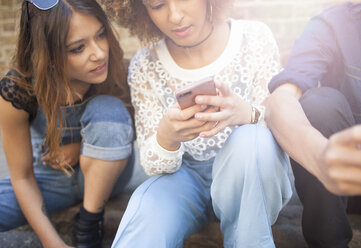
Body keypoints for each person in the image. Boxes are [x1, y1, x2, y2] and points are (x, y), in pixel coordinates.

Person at [102, 0, 293, 247]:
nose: (174, 16)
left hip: (248, 179)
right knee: (146, 208)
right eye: (157, 5)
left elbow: (283, 125)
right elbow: (151, 164)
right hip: (185, 178)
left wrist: (248, 114)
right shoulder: (145, 65)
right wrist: (166, 137)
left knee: (251, 140)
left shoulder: (254, 38)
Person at [0, 0, 147, 247]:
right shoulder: (18, 89)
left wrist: (79, 145)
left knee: (109, 109)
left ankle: (89, 225)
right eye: (78, 48)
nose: (99, 53)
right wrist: (52, 243)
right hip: (49, 179)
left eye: (101, 35)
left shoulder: (119, 70)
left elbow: (122, 131)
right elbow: (22, 177)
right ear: (48, 54)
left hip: (109, 175)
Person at [265, 1, 361, 247]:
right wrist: (323, 157)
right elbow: (279, 101)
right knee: (318, 104)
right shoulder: (335, 24)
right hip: (350, 181)